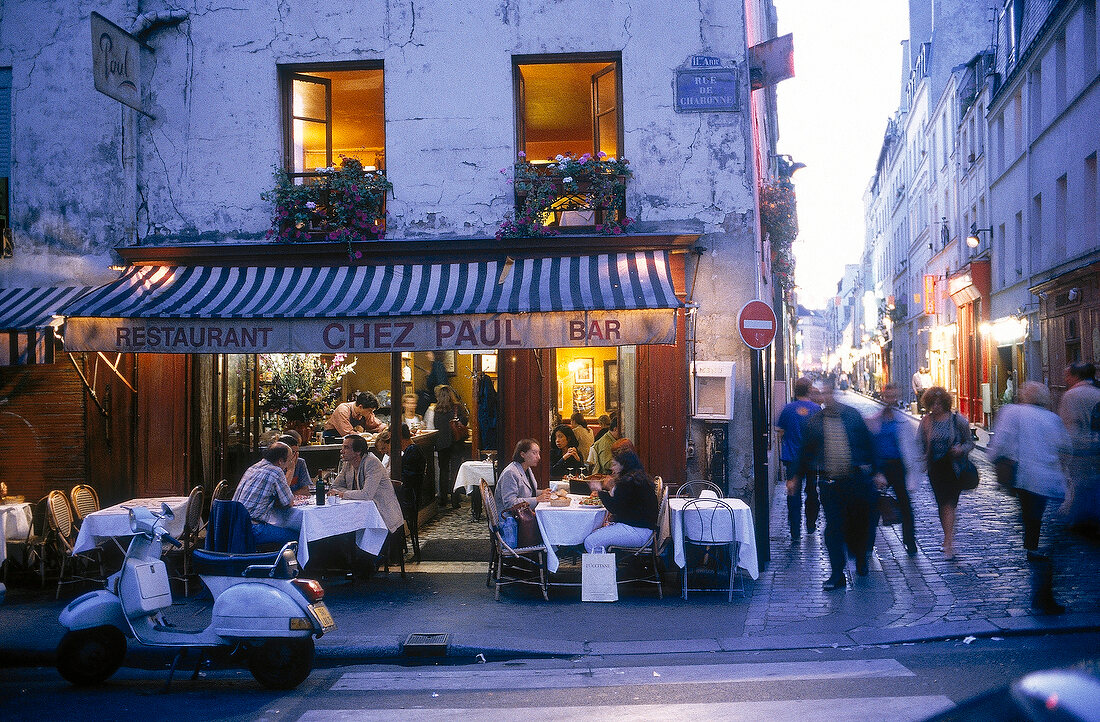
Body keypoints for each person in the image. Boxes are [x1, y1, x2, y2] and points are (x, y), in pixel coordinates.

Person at [990, 381, 1071, 614]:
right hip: (1051, 482)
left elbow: (1000, 443)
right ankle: (1035, 551)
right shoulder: (1052, 418)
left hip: (1026, 479)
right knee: (1041, 522)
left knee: (1031, 516)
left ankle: (1034, 554)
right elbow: (1065, 447)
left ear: (1025, 396)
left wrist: (995, 461)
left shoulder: (1012, 411)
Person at [797, 378, 879, 590]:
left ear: (833, 393)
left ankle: (860, 558)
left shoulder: (852, 416)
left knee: (858, 524)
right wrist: (794, 476)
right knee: (833, 529)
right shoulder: (815, 422)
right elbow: (805, 452)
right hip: (830, 483)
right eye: (821, 393)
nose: (825, 397)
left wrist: (878, 472)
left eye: (827, 392)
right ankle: (837, 574)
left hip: (855, 480)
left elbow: (869, 443)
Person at [917, 386, 973, 560]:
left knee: (949, 503)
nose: (936, 406)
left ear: (946, 403)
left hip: (953, 468)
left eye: (939, 403)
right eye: (933, 403)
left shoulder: (957, 421)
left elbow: (970, 442)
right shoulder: (926, 421)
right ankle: (947, 537)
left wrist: (960, 449)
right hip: (935, 469)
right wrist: (921, 457)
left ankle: (948, 541)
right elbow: (918, 443)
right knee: (942, 505)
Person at [866, 383, 920, 556]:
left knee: (904, 503)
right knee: (873, 505)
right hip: (880, 466)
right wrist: (876, 471)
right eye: (887, 396)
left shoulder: (902, 420)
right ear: (883, 396)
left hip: (897, 465)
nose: (890, 399)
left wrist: (913, 472)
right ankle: (868, 543)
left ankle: (910, 541)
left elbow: (910, 448)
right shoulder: (875, 419)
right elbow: (871, 445)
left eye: (893, 396)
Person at [583, 447, 658, 552]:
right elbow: (625, 504)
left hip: (637, 531)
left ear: (624, 465)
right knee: (594, 534)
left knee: (591, 542)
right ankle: (609, 565)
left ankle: (606, 568)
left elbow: (615, 508)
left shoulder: (627, 481)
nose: (612, 469)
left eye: (614, 465)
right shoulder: (637, 478)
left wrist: (599, 490)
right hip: (645, 529)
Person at [775, 377, 821, 541]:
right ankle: (810, 524)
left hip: (792, 459)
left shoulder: (788, 409)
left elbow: (779, 430)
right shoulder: (816, 409)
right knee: (812, 491)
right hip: (811, 459)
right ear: (809, 390)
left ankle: (795, 531)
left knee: (793, 493)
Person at [331, 435, 405, 534]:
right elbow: (335, 486)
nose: (342, 451)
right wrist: (341, 492)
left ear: (358, 452)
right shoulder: (347, 463)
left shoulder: (371, 462)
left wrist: (342, 494)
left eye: (346, 447)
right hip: (362, 513)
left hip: (382, 517)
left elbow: (366, 494)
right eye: (343, 447)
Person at [1058, 361, 1100, 535]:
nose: (1066, 378)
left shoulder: (1071, 395)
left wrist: (1063, 449)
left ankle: (1079, 518)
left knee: (1078, 483)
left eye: (1068, 375)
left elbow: (1067, 424)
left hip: (1078, 447)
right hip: (1097, 445)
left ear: (1076, 376)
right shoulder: (1097, 393)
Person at [232, 442, 299, 546]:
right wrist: (291, 469)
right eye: (289, 460)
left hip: (236, 524)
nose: (289, 463)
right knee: (298, 536)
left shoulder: (253, 467)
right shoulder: (276, 471)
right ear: (281, 461)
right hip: (253, 528)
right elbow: (288, 502)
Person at [377, 424, 426, 561]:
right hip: (407, 499)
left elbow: (405, 481)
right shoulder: (411, 451)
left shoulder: (412, 452)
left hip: (406, 501)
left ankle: (387, 551)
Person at [425, 384, 470, 508]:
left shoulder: (435, 410)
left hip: (441, 445)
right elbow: (465, 421)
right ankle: (455, 500)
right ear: (451, 395)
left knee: (443, 472)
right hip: (456, 444)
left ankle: (443, 499)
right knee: (455, 471)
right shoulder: (457, 407)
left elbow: (434, 426)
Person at [496, 438, 551, 511]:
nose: (538, 457)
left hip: (523, 514)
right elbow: (510, 503)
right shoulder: (510, 472)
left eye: (538, 453)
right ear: (522, 454)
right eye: (534, 453)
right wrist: (537, 499)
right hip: (509, 519)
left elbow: (524, 492)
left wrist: (542, 492)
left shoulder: (526, 468)